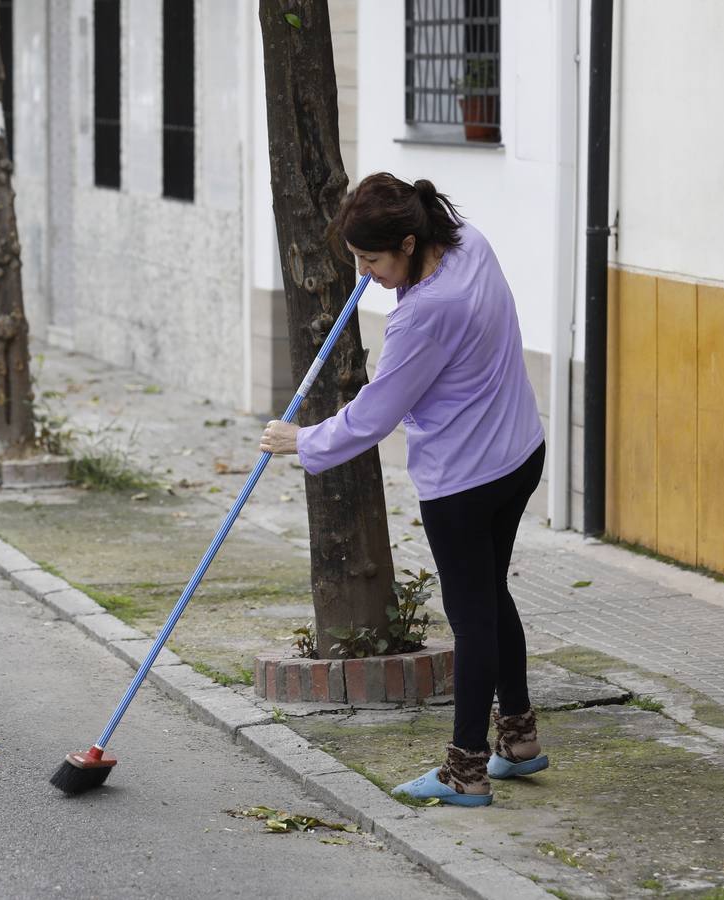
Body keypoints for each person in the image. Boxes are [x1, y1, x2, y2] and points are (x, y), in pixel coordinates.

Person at [258, 172, 547, 807]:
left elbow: (374, 414)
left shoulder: (424, 314)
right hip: (519, 452)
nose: (364, 273)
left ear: (410, 243)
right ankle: (518, 740)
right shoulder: (471, 242)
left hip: (465, 482)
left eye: (370, 260)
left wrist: (300, 441)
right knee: (490, 597)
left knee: (473, 620)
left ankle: (466, 771)